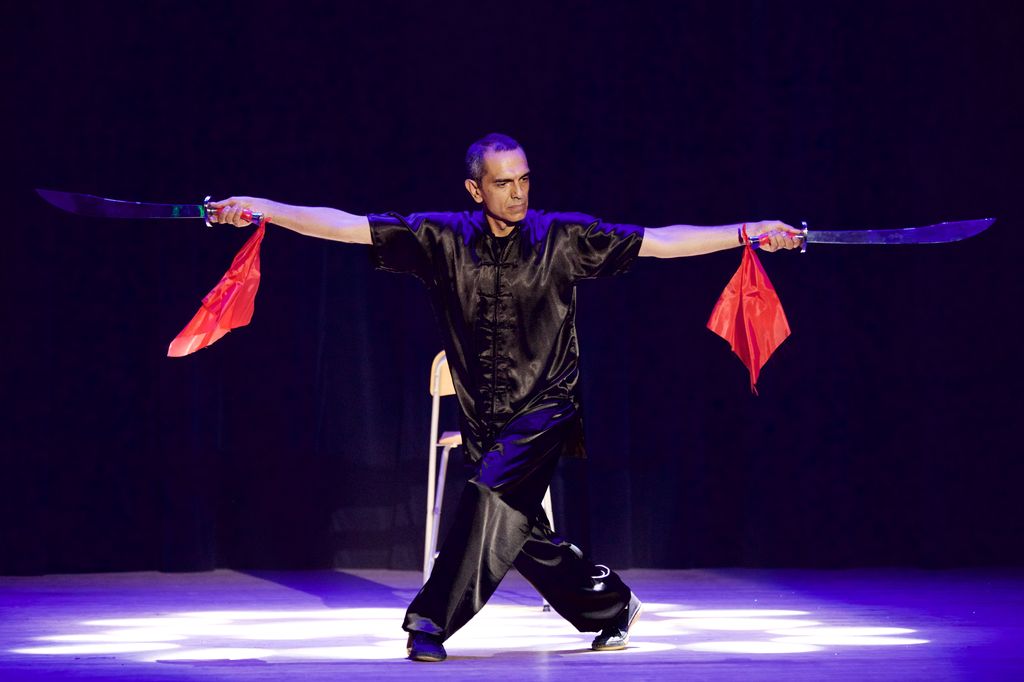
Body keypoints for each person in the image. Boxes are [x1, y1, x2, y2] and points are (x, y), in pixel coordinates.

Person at [211, 133, 802, 662]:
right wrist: (265, 209)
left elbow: (662, 242)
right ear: (476, 189)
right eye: (502, 183)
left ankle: (429, 622)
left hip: (547, 408)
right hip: (484, 419)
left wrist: (746, 231)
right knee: (518, 534)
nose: (517, 193)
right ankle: (611, 605)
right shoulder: (440, 238)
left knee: (488, 496)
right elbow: (346, 226)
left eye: (524, 179)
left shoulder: (564, 238)